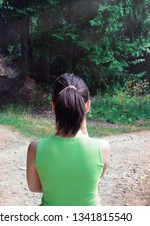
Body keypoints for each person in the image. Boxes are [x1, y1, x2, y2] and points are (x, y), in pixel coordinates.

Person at [26, 73, 111, 206]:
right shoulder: (103, 148)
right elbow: (94, 182)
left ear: (53, 106)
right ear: (87, 106)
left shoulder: (35, 148)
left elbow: (34, 187)